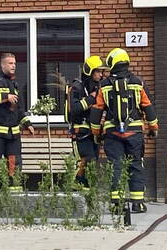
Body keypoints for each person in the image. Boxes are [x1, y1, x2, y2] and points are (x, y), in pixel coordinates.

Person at [88, 48, 158, 212]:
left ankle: (117, 204)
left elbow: (96, 112)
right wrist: (153, 127)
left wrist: (96, 134)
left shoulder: (104, 85)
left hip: (112, 133)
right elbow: (148, 106)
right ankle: (138, 203)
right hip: (134, 133)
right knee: (135, 165)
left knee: (116, 166)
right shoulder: (138, 82)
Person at [0, 52, 35, 178]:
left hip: (13, 134)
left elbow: (18, 109)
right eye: (10, 63)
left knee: (14, 163)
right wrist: (6, 97)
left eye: (14, 63)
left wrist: (27, 123)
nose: (14, 66)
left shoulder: (14, 84)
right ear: (2, 65)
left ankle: (14, 186)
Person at [66, 55, 109, 184]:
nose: (101, 75)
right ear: (89, 71)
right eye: (98, 71)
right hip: (80, 131)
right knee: (86, 159)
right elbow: (74, 109)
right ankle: (77, 185)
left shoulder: (98, 87)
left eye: (102, 72)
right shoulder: (77, 87)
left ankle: (88, 188)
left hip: (94, 131)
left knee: (93, 161)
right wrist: (91, 98)